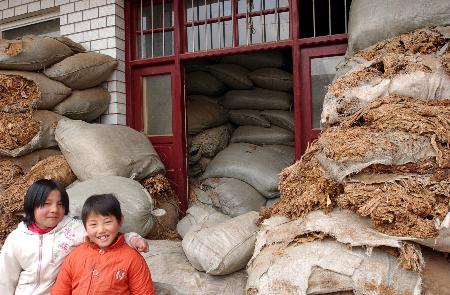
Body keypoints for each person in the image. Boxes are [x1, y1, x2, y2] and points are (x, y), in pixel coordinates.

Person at [0, 179, 149, 295]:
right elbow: (5, 278)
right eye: (46, 203)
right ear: (31, 207)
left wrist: (133, 239)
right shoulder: (17, 239)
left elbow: (107, 233)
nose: (54, 209)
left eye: (60, 204)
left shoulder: (73, 229)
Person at [51, 194, 155, 295]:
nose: (101, 230)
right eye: (93, 224)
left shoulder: (132, 259)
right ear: (85, 226)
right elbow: (60, 290)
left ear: (120, 220)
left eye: (107, 222)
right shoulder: (74, 257)